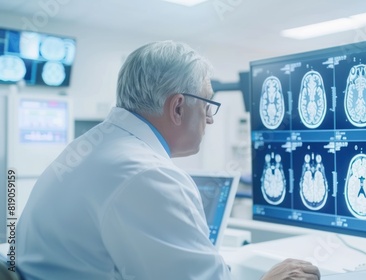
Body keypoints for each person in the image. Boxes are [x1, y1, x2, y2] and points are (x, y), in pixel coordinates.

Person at [16, 40, 321, 279]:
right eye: (207, 105)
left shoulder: (88, 148)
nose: (210, 120)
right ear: (177, 107)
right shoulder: (149, 175)